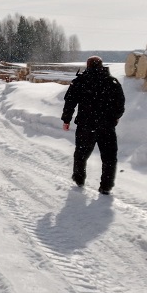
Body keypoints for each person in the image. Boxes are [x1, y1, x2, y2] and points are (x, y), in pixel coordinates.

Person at [61, 56, 125, 194]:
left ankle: (79, 179)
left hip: (86, 125)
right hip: (106, 126)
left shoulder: (80, 81)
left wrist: (66, 120)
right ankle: (106, 186)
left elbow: (69, 102)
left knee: (81, 154)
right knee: (109, 156)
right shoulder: (112, 82)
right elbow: (120, 104)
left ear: (87, 66)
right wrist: (115, 118)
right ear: (102, 66)